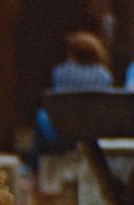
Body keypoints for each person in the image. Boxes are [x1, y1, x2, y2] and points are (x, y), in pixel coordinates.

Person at [27, 30, 113, 172]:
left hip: (63, 133)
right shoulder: (104, 75)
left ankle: (33, 167)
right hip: (95, 133)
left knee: (41, 116)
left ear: (72, 52)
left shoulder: (61, 72)